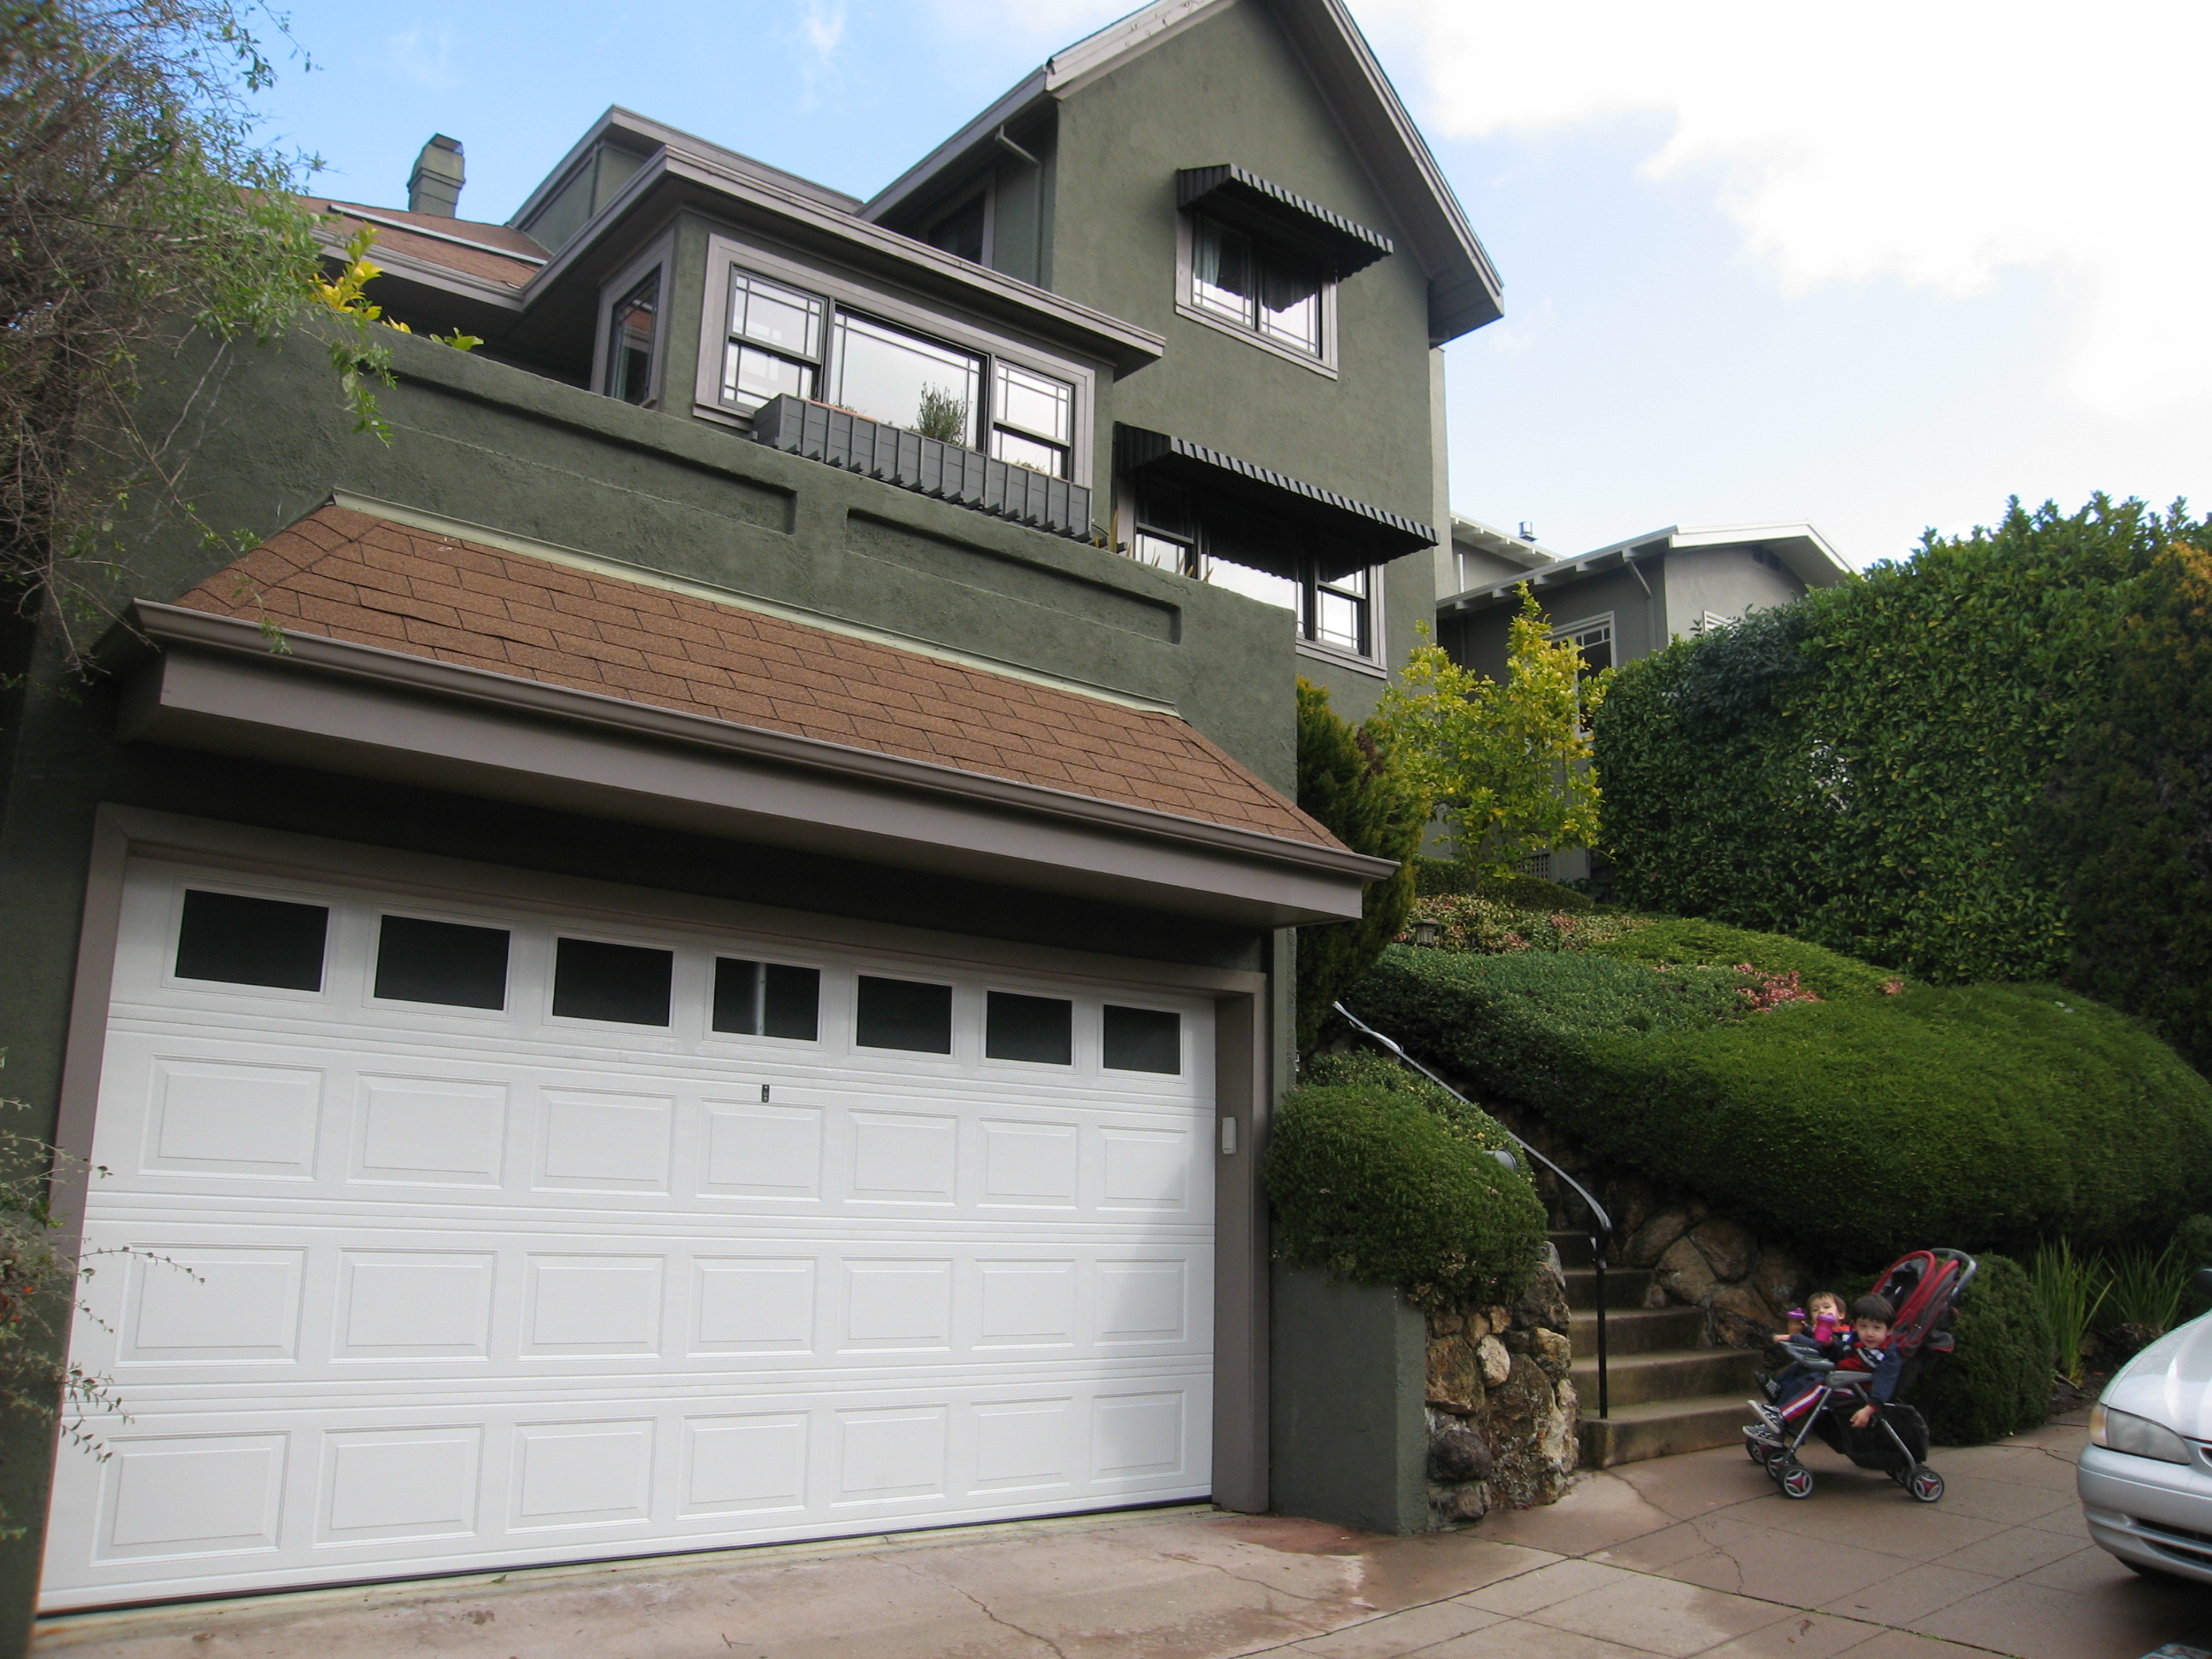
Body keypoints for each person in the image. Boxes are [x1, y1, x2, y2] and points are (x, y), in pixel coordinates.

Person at [1751, 1293, 1899, 1435]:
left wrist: (1869, 1409)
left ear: (1889, 1330)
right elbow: (1841, 1352)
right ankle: (1778, 1404)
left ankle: (1780, 1418)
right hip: (1842, 1380)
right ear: (1855, 1326)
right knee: (1809, 1376)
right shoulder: (1856, 1341)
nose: (1869, 1333)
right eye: (1864, 1326)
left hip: (1857, 1390)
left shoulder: (1888, 1356)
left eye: (1877, 1328)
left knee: (1819, 1384)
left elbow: (1884, 1383)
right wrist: (1830, 1344)